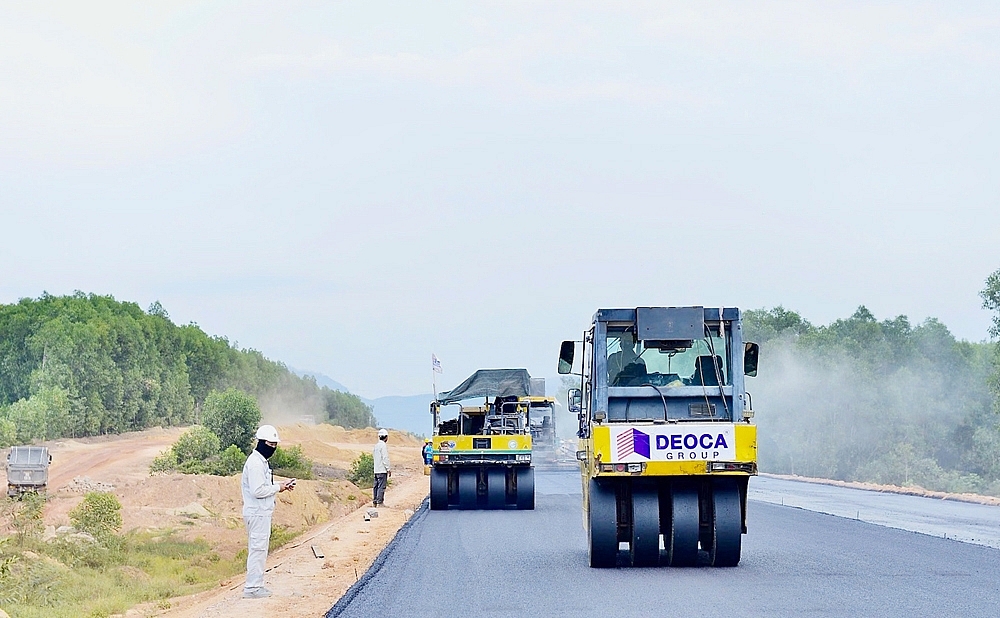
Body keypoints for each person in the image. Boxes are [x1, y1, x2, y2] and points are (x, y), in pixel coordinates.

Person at [241, 424, 295, 599]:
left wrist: (281, 485)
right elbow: (258, 491)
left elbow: (264, 485)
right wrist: (278, 488)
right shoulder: (256, 463)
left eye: (275, 445)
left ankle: (255, 585)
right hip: (257, 513)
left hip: (260, 512)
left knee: (259, 549)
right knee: (257, 549)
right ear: (261, 442)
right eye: (270, 445)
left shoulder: (260, 462)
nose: (273, 448)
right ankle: (253, 588)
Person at [372, 428, 391, 506]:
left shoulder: (376, 446)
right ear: (386, 437)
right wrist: (388, 469)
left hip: (376, 469)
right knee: (381, 487)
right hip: (382, 469)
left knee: (376, 486)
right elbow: (385, 458)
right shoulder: (383, 446)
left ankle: (375, 501)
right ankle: (380, 502)